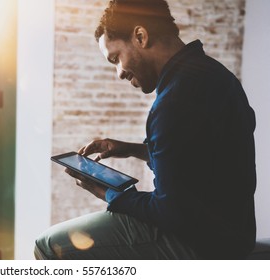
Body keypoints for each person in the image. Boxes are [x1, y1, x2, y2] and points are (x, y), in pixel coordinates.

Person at [35, 0, 256, 259]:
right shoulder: (215, 76)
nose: (119, 73)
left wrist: (109, 193)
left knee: (49, 245)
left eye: (116, 58)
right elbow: (196, 163)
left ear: (140, 36)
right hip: (235, 235)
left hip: (203, 244)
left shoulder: (174, 101)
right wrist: (130, 150)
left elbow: (169, 212)